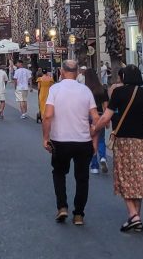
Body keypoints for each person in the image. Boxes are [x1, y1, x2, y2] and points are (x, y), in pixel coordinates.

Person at [91, 64, 143, 233]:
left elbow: (106, 117)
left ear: (124, 78)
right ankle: (135, 218)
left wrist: (95, 129)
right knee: (139, 177)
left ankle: (134, 216)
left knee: (124, 177)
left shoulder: (119, 93)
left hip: (124, 140)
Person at [42, 60, 100, 225]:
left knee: (59, 173)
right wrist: (94, 139)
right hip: (83, 141)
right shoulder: (86, 91)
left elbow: (47, 116)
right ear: (76, 73)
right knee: (82, 178)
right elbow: (96, 118)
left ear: (61, 72)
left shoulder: (55, 89)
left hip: (60, 140)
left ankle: (62, 207)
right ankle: (79, 214)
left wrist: (46, 137)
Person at [83, 68, 109, 174]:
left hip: (88, 117)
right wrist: (107, 121)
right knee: (101, 139)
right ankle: (102, 157)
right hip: (100, 116)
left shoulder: (84, 90)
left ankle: (94, 165)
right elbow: (106, 106)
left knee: (91, 140)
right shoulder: (102, 89)